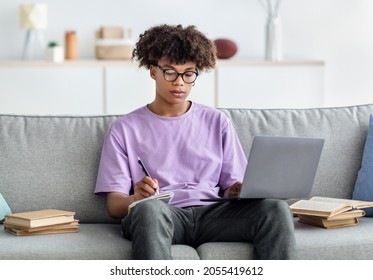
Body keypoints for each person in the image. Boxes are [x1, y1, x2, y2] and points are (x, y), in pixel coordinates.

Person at [94, 24, 296, 260]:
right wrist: (137, 198)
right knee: (148, 211)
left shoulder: (217, 121)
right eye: (170, 72)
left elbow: (231, 188)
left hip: (214, 215)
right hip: (162, 215)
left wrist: (237, 190)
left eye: (188, 73)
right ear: (152, 71)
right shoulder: (124, 129)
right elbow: (114, 207)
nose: (179, 82)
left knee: (276, 210)